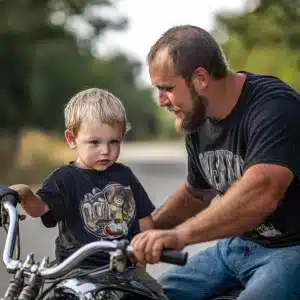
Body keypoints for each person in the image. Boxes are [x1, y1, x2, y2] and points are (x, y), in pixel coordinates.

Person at [131, 25, 300, 300]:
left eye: (167, 88)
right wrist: (142, 231)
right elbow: (196, 193)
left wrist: (180, 236)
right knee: (146, 295)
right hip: (238, 247)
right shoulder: (196, 119)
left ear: (200, 78)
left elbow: (261, 192)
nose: (161, 100)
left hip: (292, 250)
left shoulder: (274, 107)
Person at [7, 88, 162, 291]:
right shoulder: (65, 178)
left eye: (114, 141)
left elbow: (143, 217)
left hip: (125, 270)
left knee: (156, 294)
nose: (105, 150)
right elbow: (39, 209)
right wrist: (25, 193)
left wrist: (144, 251)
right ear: (72, 139)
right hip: (78, 275)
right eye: (94, 142)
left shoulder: (124, 175)